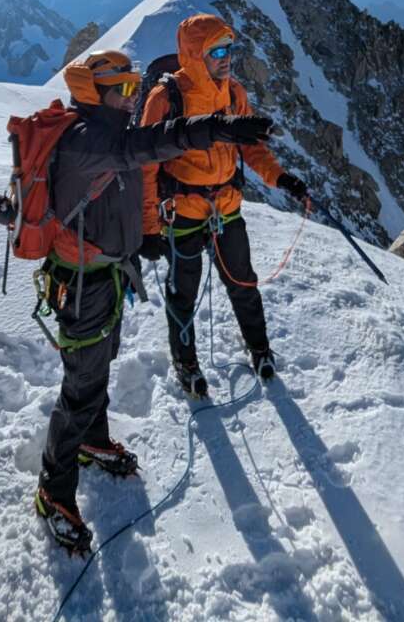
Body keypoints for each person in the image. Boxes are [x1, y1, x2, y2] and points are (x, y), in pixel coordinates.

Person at [34, 48, 274, 553]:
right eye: (121, 90)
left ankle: (92, 440)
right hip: (82, 284)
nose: (131, 97)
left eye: (132, 87)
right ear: (92, 93)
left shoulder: (105, 134)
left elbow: (128, 179)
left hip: (106, 274)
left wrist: (142, 237)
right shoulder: (87, 140)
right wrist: (217, 128)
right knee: (80, 387)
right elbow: (154, 142)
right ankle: (54, 493)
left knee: (98, 366)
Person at [139, 14, 308, 396]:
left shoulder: (234, 93)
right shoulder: (165, 98)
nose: (226, 57)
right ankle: (186, 363)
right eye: (216, 51)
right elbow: (146, 166)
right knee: (183, 293)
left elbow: (251, 147)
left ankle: (260, 349)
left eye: (229, 49)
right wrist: (149, 227)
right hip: (182, 211)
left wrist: (280, 178)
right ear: (196, 54)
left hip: (226, 207)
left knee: (243, 282)